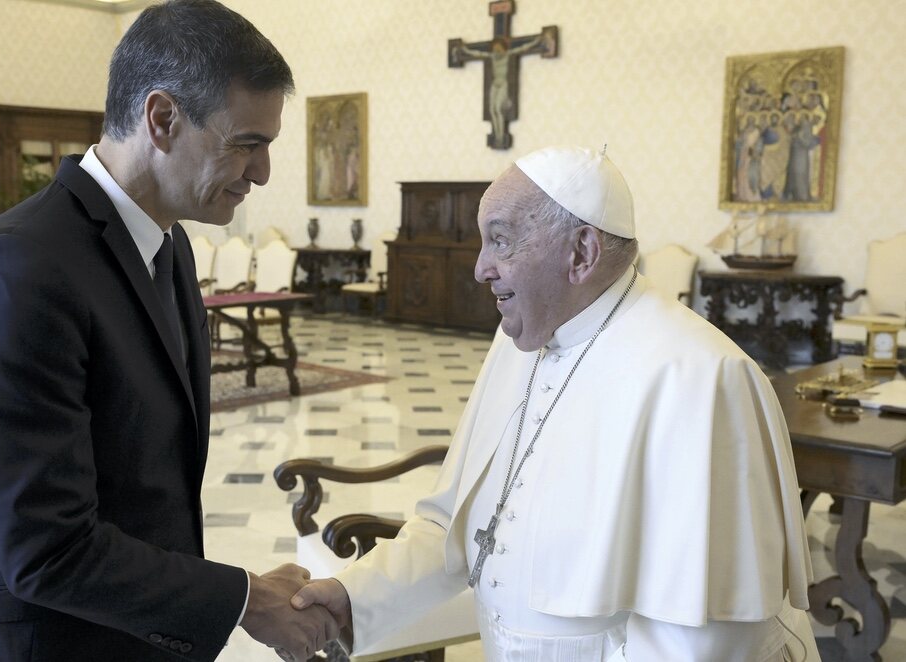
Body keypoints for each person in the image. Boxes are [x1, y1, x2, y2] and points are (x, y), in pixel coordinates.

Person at [292, 146, 820, 661]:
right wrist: (352, 594)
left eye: (501, 242)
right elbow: (457, 524)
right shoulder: (518, 339)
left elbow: (706, 639)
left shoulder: (702, 378)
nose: (480, 268)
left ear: (582, 252)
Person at [0, 2, 336, 661]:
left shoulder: (169, 246)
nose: (262, 173)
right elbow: (46, 550)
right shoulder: (19, 269)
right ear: (162, 118)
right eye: (247, 144)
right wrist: (242, 600)